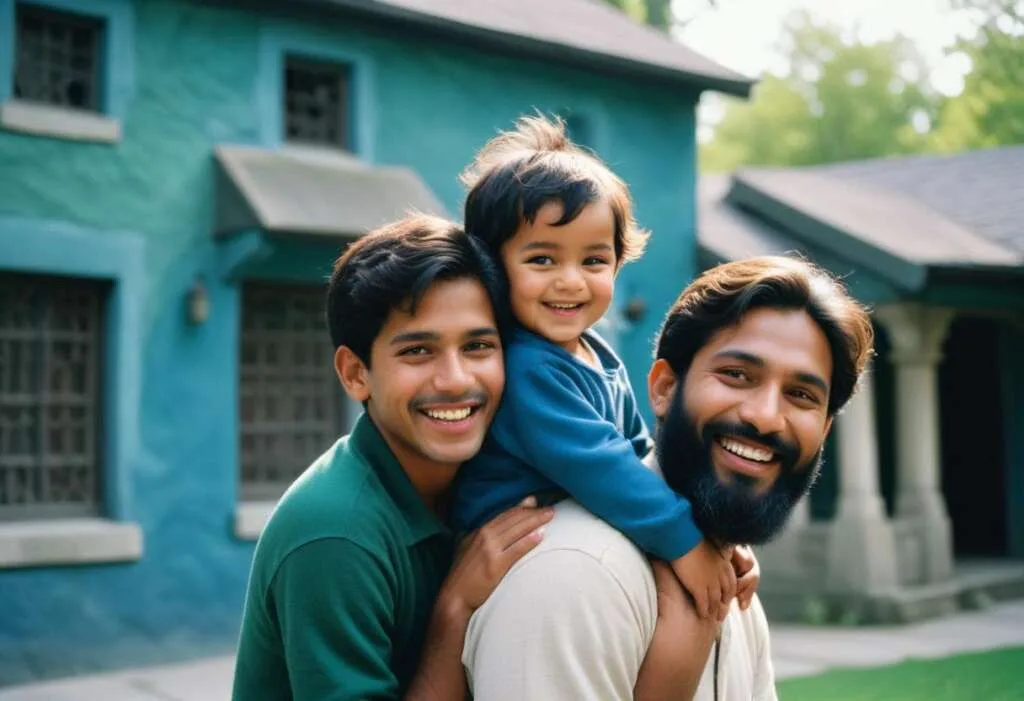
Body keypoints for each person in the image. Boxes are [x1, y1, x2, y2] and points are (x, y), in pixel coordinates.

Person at [462, 255, 875, 700]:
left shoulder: (730, 584)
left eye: (800, 395)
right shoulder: (574, 577)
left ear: (825, 429)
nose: (766, 417)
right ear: (662, 388)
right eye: (736, 375)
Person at [231, 215, 555, 700]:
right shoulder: (334, 534)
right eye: (419, 351)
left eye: (479, 346)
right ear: (356, 373)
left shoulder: (496, 474)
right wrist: (454, 610)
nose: (455, 379)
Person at [452, 115, 738, 622]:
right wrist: (684, 541)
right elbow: (603, 465)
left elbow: (639, 451)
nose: (571, 282)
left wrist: (708, 528)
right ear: (492, 268)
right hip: (518, 568)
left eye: (593, 261)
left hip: (581, 536)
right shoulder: (526, 368)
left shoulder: (596, 351)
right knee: (682, 616)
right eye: (542, 260)